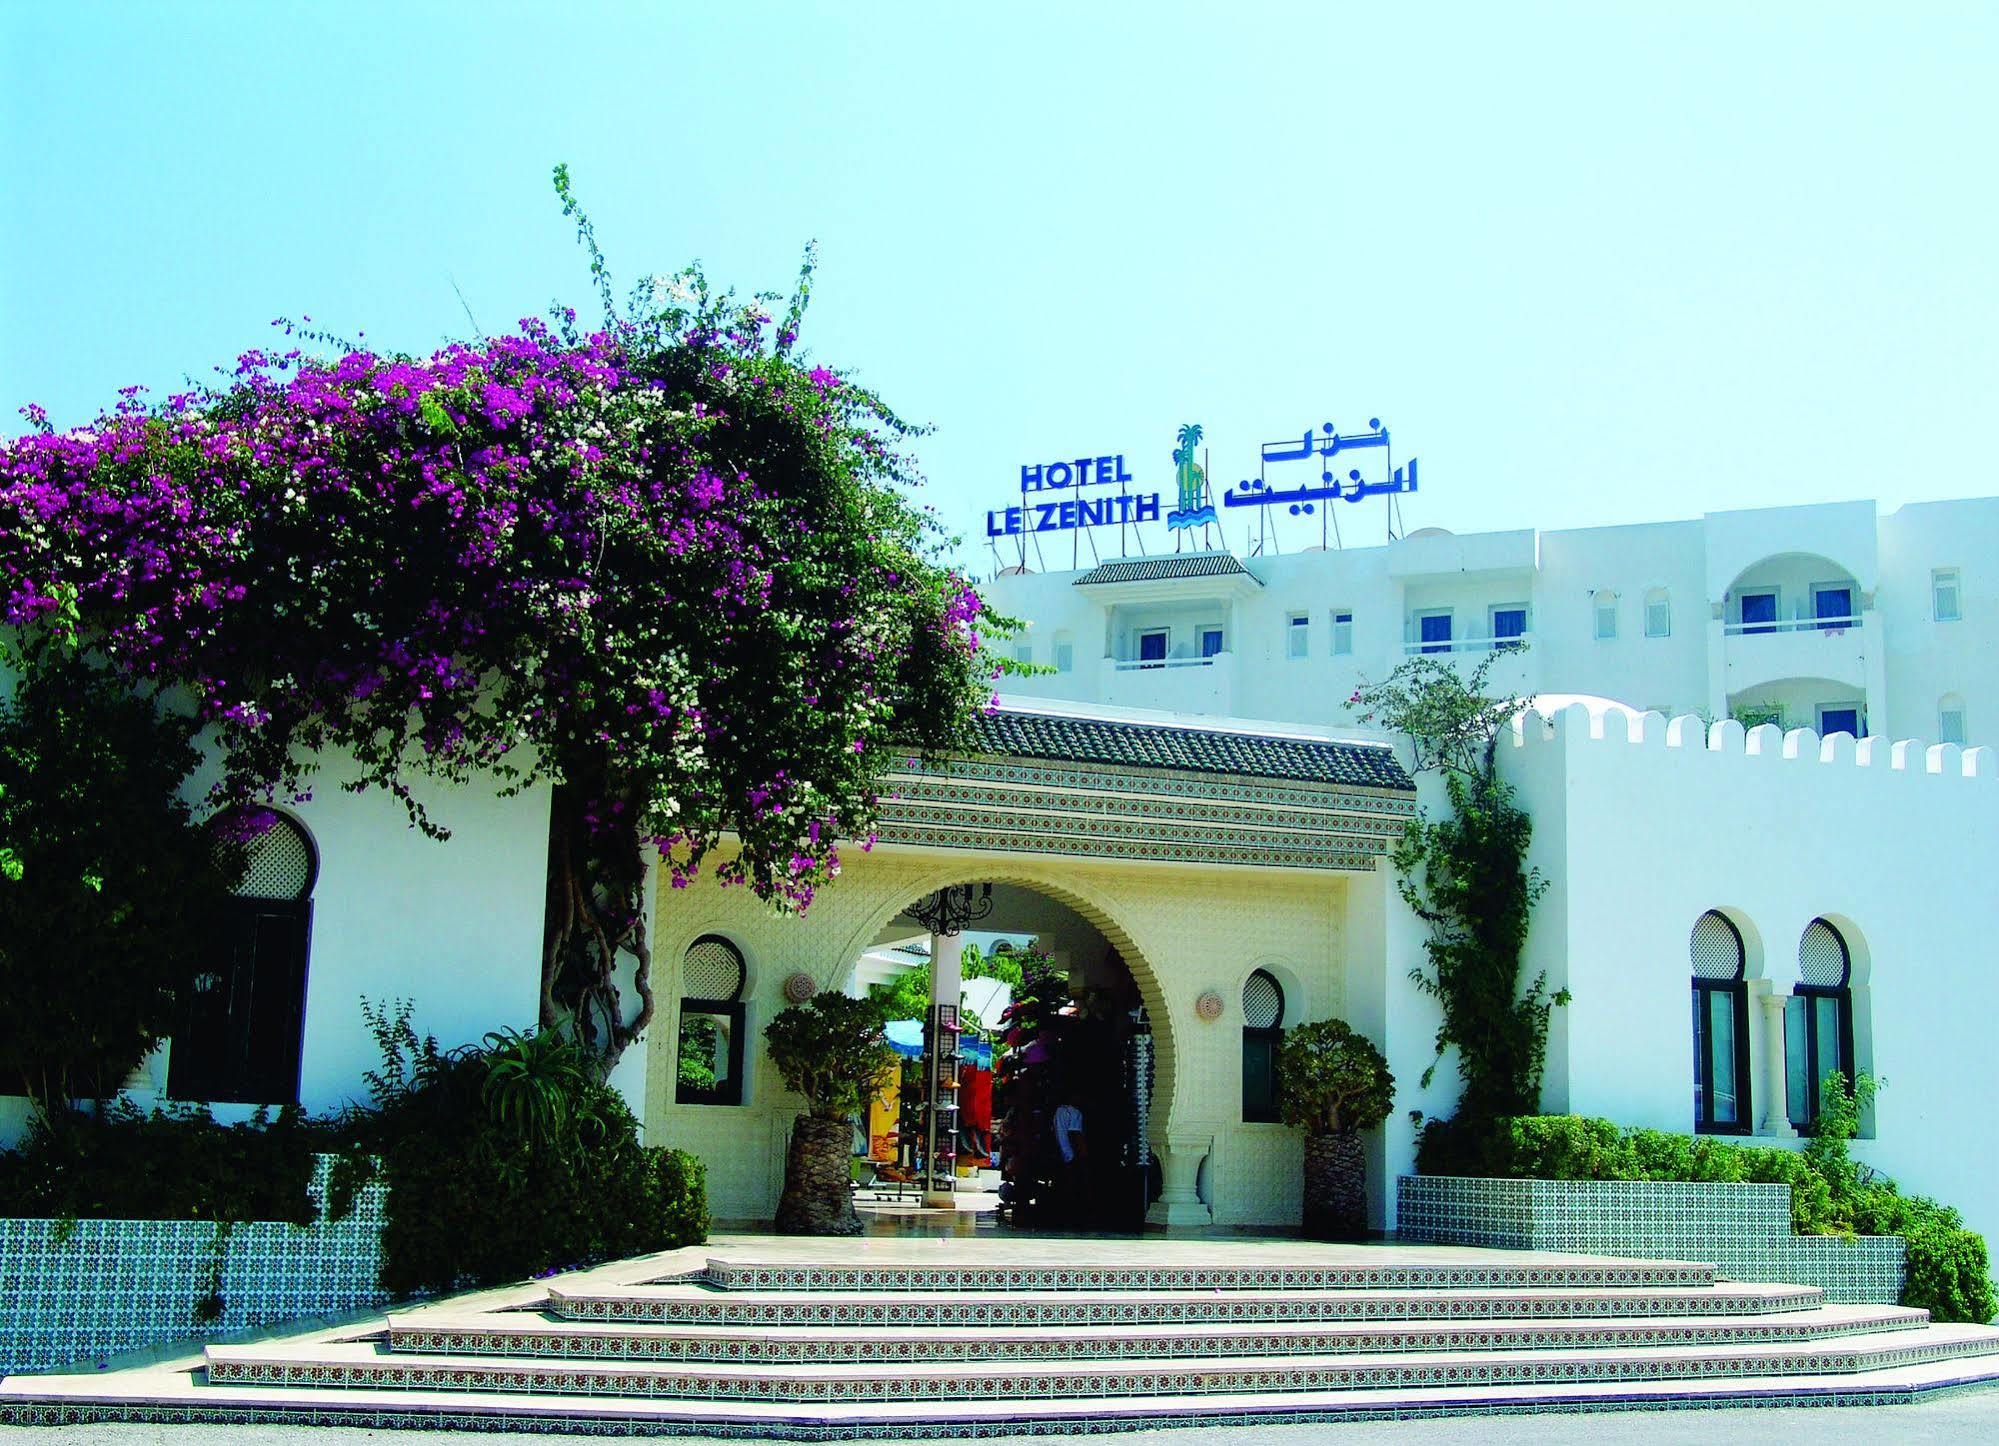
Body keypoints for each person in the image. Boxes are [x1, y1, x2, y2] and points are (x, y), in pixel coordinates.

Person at [1052, 1090, 1087, 1217]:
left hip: (1061, 1155)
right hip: (1071, 1156)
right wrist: (1081, 1154)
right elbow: (1075, 1134)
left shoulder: (1058, 1111)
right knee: (1074, 1186)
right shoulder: (1075, 1113)